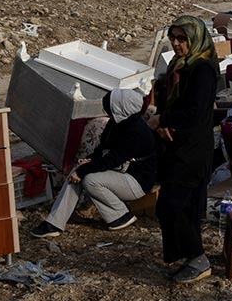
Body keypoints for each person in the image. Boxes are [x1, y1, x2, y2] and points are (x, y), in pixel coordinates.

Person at [147, 14, 219, 283]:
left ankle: (198, 258)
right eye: (173, 38)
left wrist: (162, 120)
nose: (176, 43)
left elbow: (196, 112)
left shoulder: (202, 70)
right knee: (183, 206)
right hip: (176, 146)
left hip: (193, 149)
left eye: (182, 38)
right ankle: (191, 258)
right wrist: (165, 121)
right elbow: (172, 102)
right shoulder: (181, 64)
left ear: (195, 39)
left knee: (171, 205)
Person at [31, 88, 157, 238]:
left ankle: (119, 214)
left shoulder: (136, 131)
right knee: (79, 171)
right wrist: (90, 159)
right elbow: (103, 148)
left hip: (137, 181)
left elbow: (113, 159)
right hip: (122, 172)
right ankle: (54, 222)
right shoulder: (118, 123)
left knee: (89, 179)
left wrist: (83, 170)